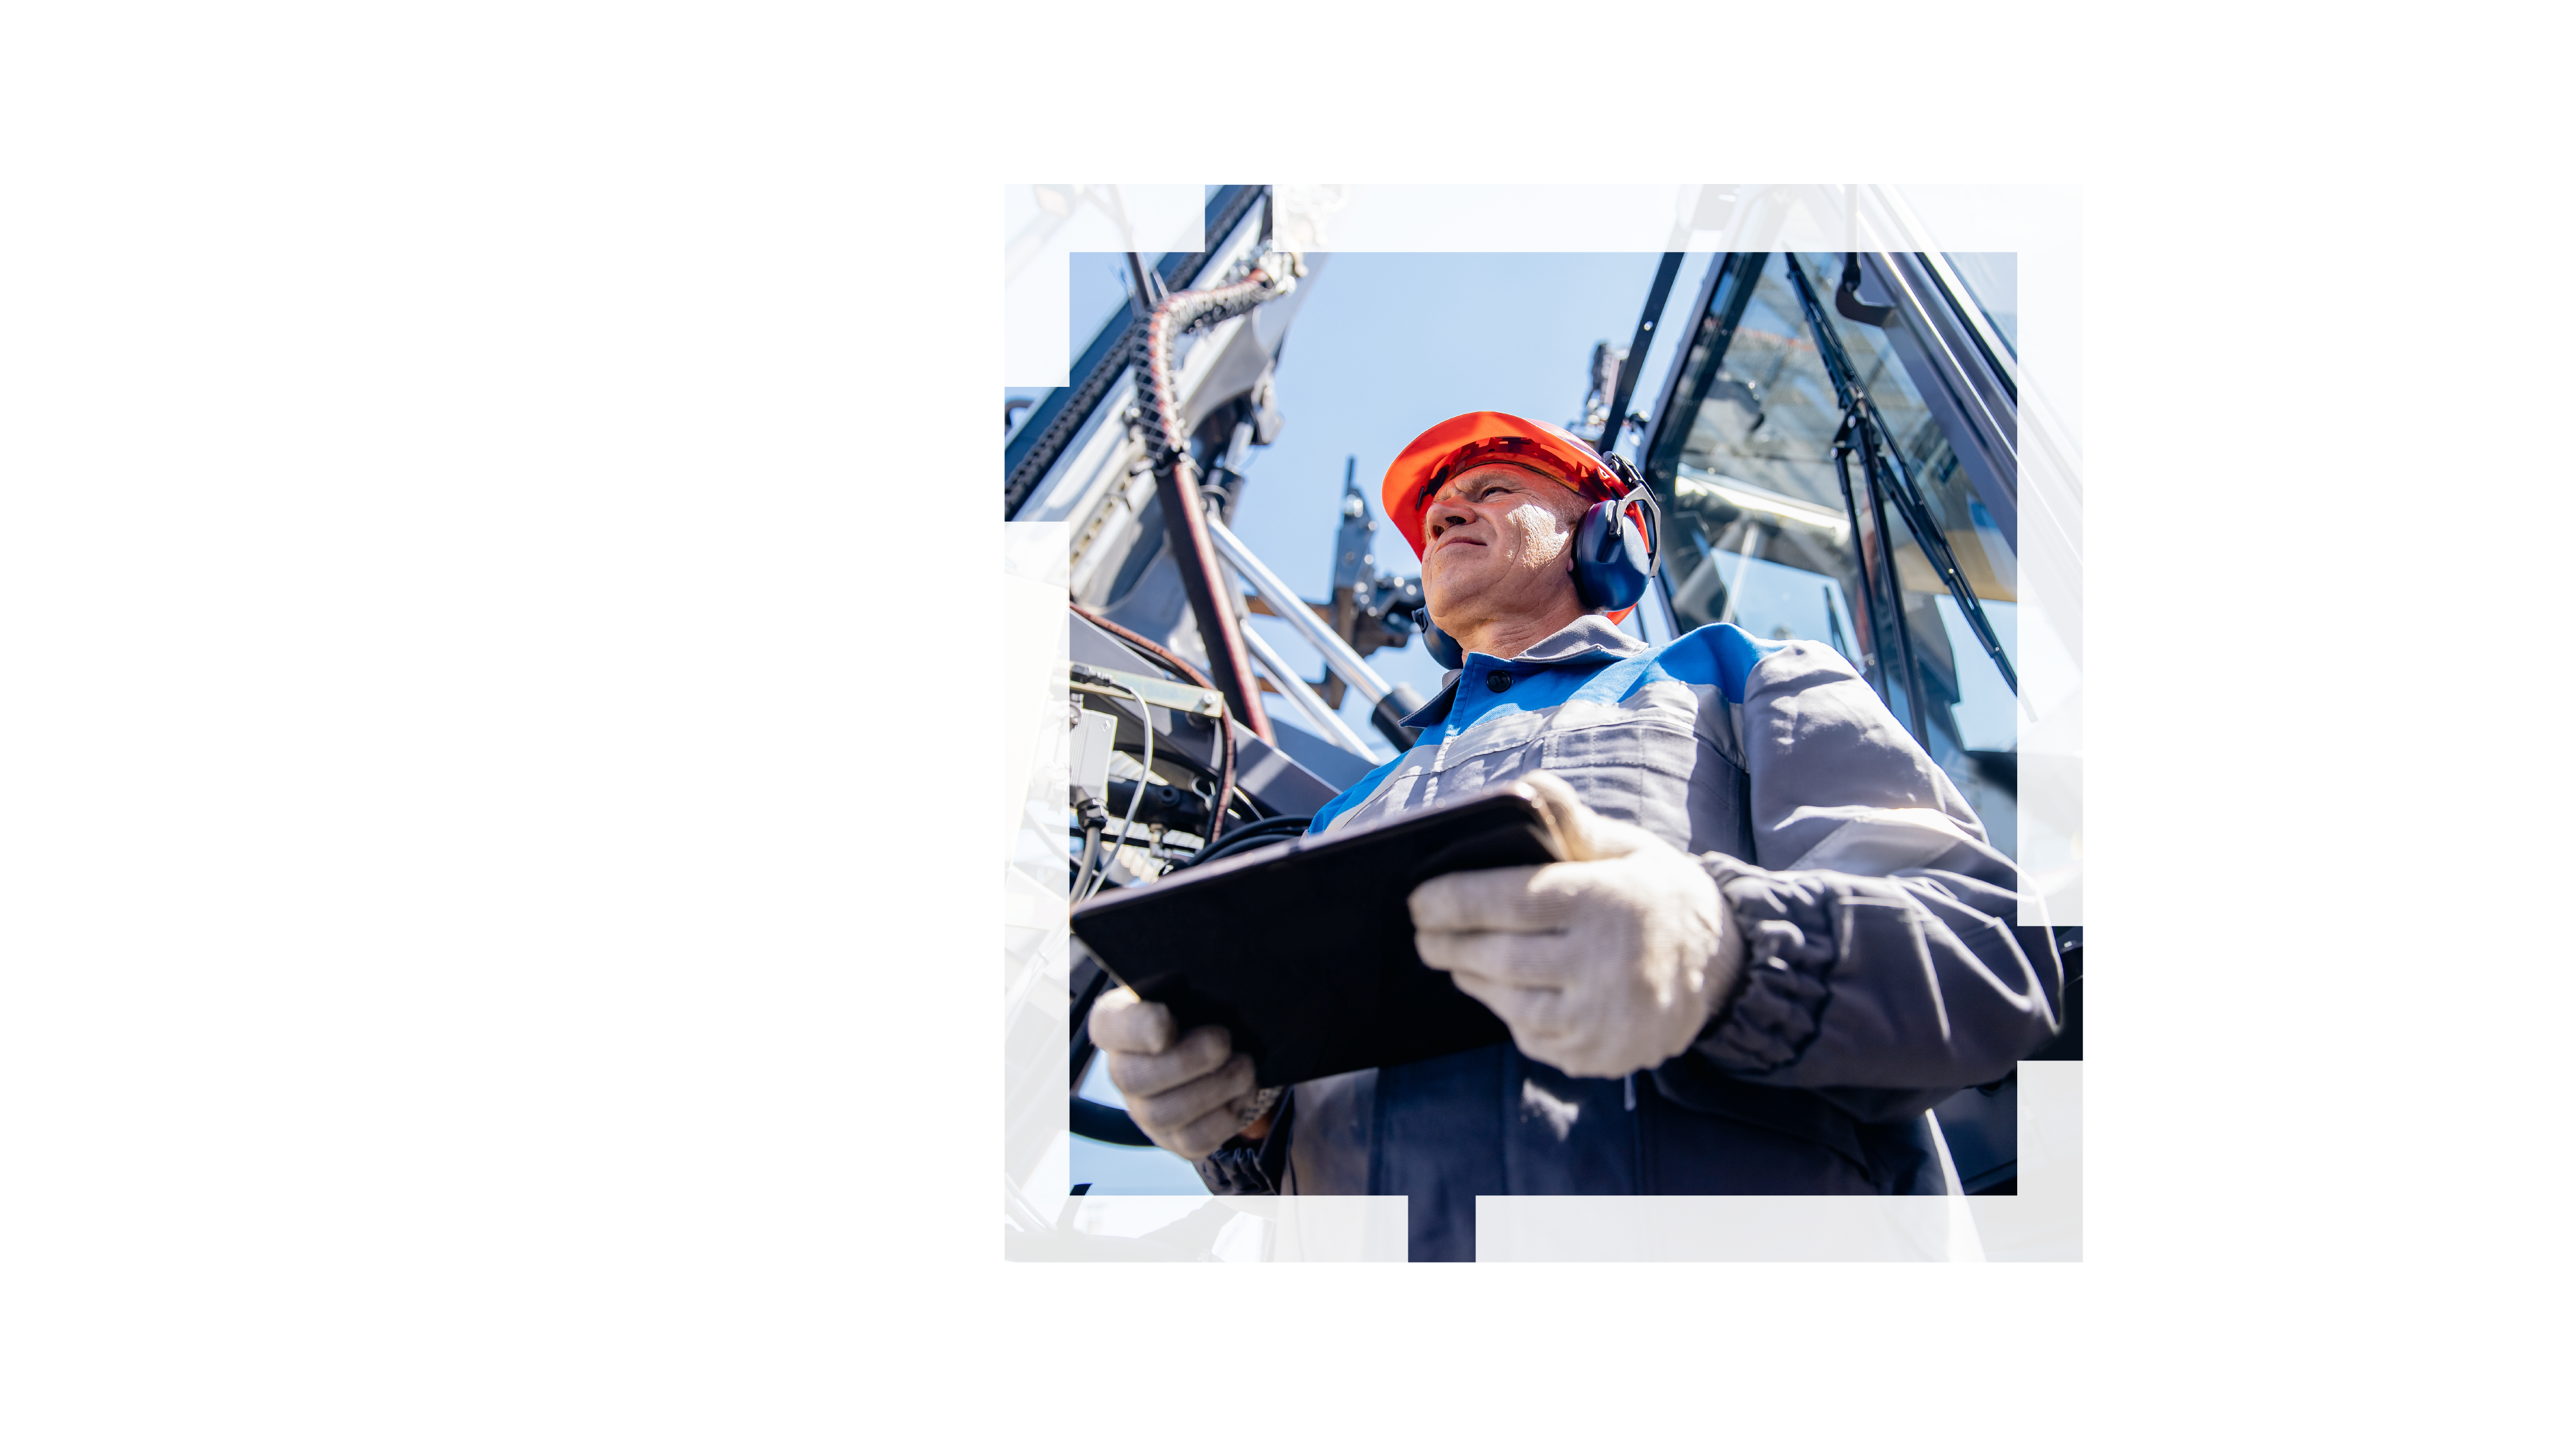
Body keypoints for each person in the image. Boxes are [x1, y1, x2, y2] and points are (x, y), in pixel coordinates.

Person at [1086, 410, 2062, 1262]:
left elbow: (1992, 954)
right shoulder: (1346, 815)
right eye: (1435, 513)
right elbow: (1308, 1164)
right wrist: (1236, 1119)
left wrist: (1726, 951)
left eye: (1492, 486)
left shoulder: (1740, 681)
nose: (1445, 513)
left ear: (1611, 534)